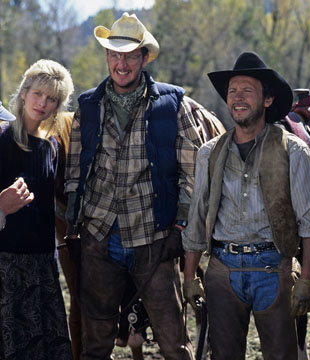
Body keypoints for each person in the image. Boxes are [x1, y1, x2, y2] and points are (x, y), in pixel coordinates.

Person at [64, 12, 215, 359]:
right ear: (106, 57)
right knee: (95, 341)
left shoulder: (174, 105)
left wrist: (181, 225)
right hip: (99, 238)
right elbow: (75, 172)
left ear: (144, 58)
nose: (121, 63)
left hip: (153, 237)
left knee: (174, 341)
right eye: (115, 55)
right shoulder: (87, 107)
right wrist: (75, 225)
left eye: (130, 55)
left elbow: (193, 173)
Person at [181, 51, 310, 360]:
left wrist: (308, 280)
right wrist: (191, 276)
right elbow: (197, 219)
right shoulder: (210, 152)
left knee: (281, 355)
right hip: (222, 270)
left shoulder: (293, 150)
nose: (238, 97)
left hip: (274, 269)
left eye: (247, 90)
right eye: (233, 91)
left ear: (268, 100)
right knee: (223, 355)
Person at [0, 59, 74, 359]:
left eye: (52, 98)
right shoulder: (2, 139)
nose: (42, 103)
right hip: (5, 269)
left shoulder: (51, 147)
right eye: (38, 94)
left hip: (43, 267)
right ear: (24, 93)